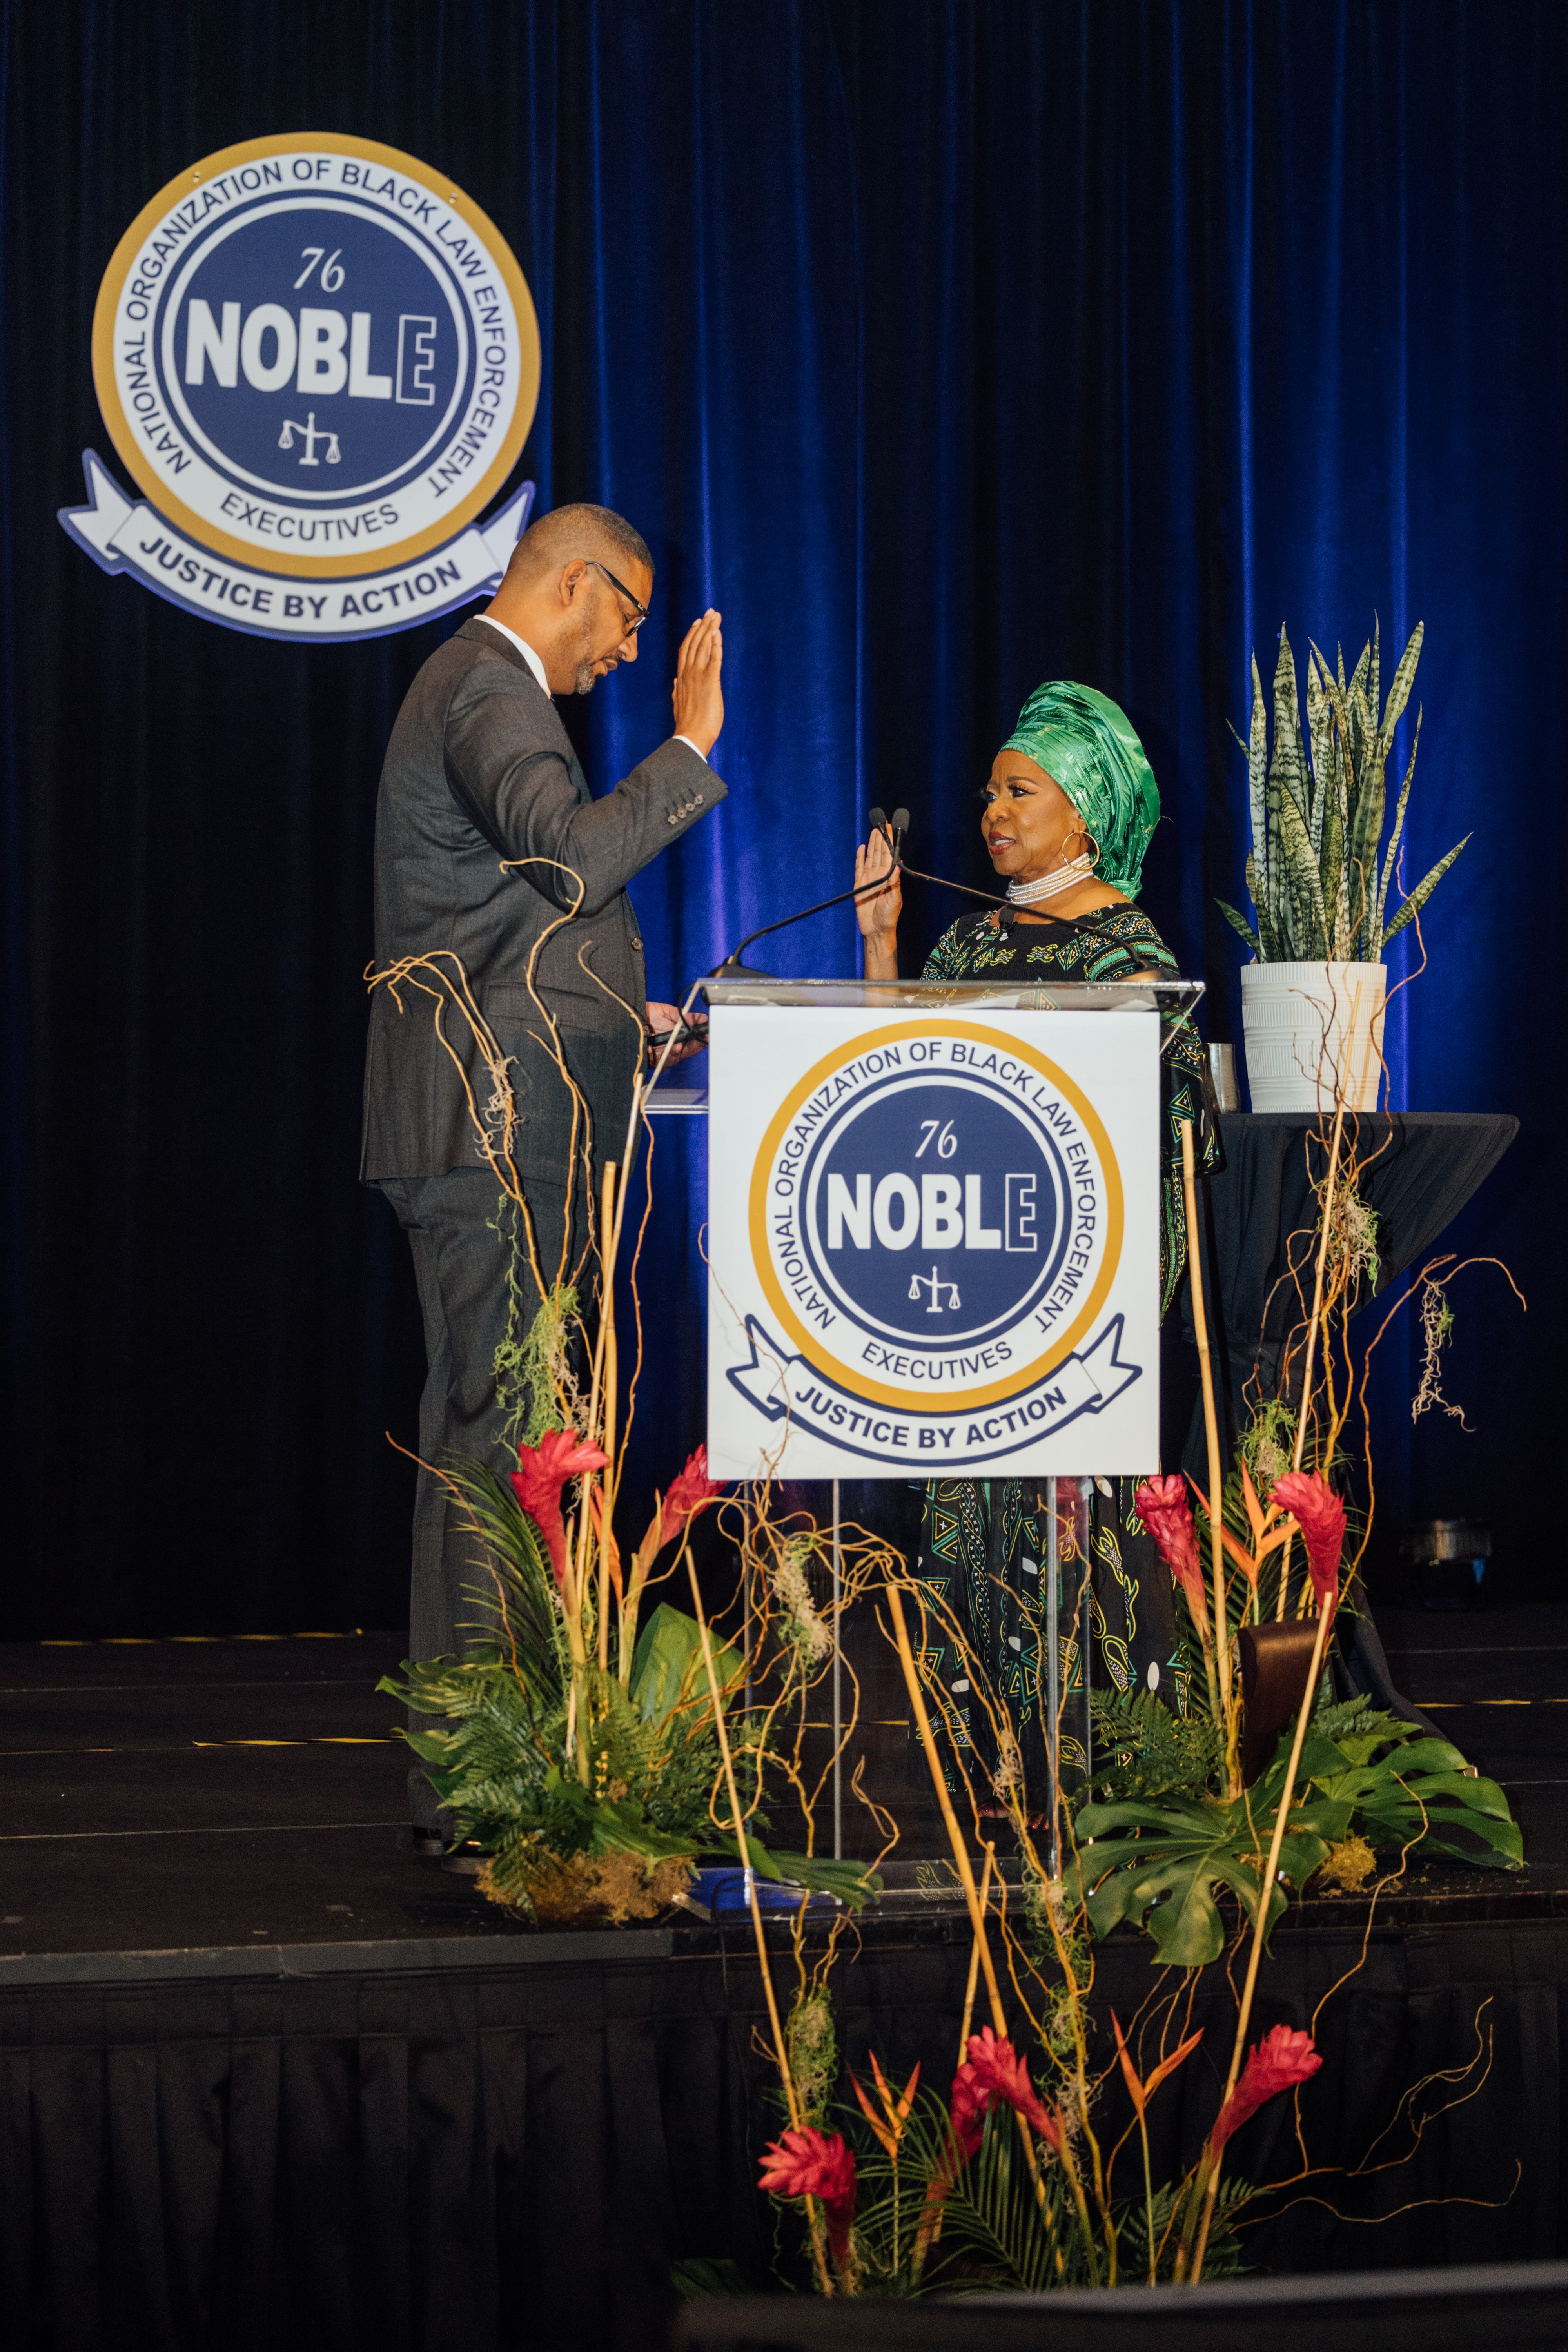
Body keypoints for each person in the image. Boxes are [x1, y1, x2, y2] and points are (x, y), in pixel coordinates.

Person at [361, 501, 724, 1846]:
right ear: (578, 583)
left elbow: (507, 912)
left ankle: (498, 1767)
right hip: (489, 1130)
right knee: (495, 1436)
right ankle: (481, 1783)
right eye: (628, 620)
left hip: (507, 1113)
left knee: (507, 1435)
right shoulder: (487, 690)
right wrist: (689, 749)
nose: (628, 651)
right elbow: (571, 865)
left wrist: (616, 1019)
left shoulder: (486, 695)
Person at [852, 680, 1216, 1802]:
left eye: (1023, 791)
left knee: (1074, 1540)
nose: (993, 814)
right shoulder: (962, 940)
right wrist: (882, 944)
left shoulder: (1128, 960)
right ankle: (988, 1772)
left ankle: (1107, 1771)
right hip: (967, 1297)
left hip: (1077, 1308)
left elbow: (1172, 1142)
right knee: (966, 1531)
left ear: (1088, 815)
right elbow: (898, 1091)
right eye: (991, 793)